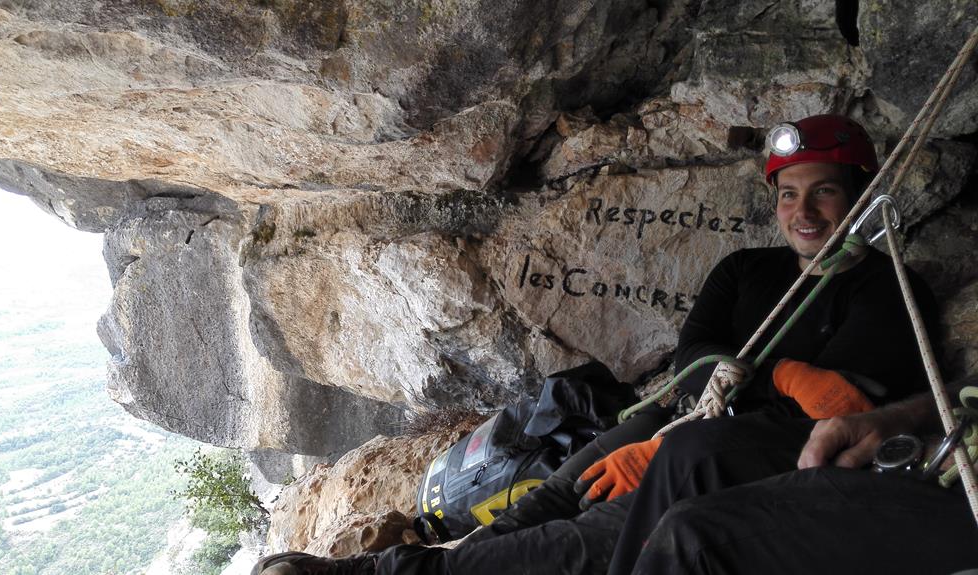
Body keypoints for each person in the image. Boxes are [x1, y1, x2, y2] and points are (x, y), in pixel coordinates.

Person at [251, 114, 939, 575]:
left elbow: (838, 401)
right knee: (554, 494)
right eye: (789, 195)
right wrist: (776, 374)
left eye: (823, 193)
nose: (804, 212)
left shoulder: (888, 287)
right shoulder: (747, 270)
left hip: (754, 449)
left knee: (586, 535)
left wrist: (752, 382)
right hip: (691, 415)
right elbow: (694, 356)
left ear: (860, 197)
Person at [607, 377, 978, 575]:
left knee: (692, 541)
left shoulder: (876, 287)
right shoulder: (744, 270)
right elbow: (696, 357)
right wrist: (898, 416)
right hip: (932, 450)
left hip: (960, 502)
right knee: (693, 450)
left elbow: (869, 363)